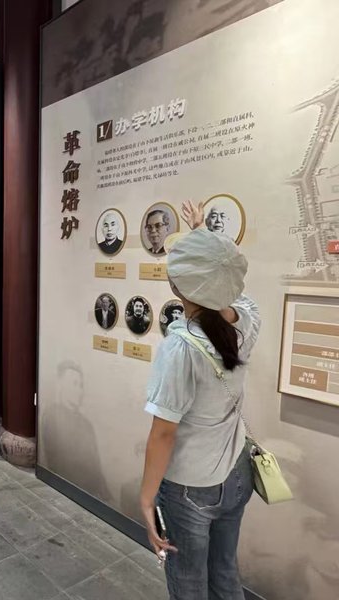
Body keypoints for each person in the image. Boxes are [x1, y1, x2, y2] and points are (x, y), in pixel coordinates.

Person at [139, 200, 261, 600]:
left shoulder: (180, 348)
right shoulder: (246, 322)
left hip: (191, 488)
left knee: (188, 581)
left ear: (176, 287)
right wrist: (203, 236)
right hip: (238, 474)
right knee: (224, 571)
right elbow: (227, 288)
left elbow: (163, 434)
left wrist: (145, 498)